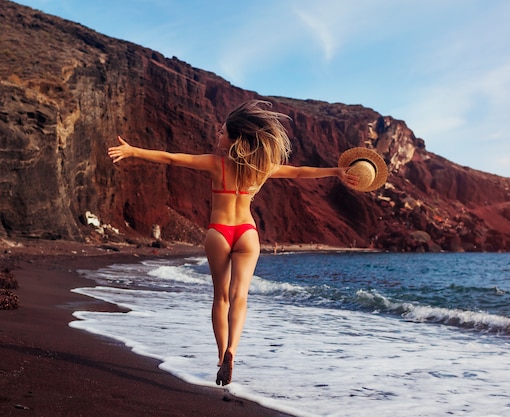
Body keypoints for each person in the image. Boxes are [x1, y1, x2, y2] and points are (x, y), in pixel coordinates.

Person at [108, 100, 358, 386]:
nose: (217, 136)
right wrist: (336, 172)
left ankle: (219, 356)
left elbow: (172, 158)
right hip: (247, 234)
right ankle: (232, 352)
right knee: (240, 297)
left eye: (221, 132)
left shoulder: (215, 164)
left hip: (219, 231)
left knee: (220, 297)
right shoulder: (262, 169)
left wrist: (132, 151)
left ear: (235, 138)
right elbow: (300, 172)